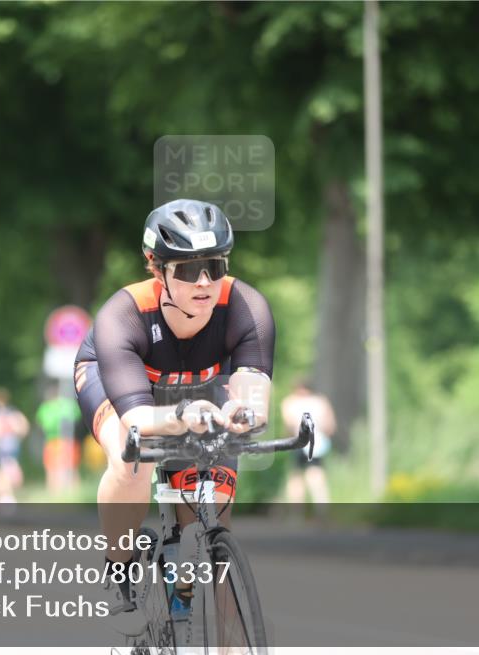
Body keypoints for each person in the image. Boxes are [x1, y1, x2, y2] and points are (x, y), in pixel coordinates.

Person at [74, 199, 275, 626]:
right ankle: (121, 566)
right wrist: (183, 413)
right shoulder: (123, 315)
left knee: (210, 512)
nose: (204, 283)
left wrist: (245, 413)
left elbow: (253, 390)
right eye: (186, 270)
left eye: (215, 266)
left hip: (198, 389)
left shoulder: (245, 306)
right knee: (133, 458)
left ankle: (216, 631)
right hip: (124, 388)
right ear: (156, 266)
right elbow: (137, 421)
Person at [282, 379, 337, 506]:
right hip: (317, 443)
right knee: (316, 475)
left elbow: (289, 425)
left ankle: (297, 512)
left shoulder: (290, 401)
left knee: (297, 477)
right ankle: (322, 508)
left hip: (299, 441)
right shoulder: (320, 401)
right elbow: (330, 425)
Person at [35, 383, 82, 494]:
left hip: (54, 441)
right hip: (67, 440)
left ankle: (54, 492)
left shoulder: (46, 407)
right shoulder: (67, 404)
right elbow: (77, 416)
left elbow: (44, 424)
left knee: (53, 469)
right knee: (70, 467)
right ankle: (73, 491)